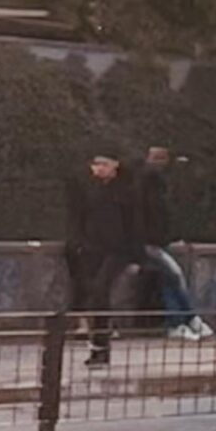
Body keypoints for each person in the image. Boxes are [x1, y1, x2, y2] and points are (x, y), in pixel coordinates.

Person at [65, 149, 140, 367]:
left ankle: (101, 345)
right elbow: (78, 218)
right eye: (95, 164)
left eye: (103, 164)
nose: (98, 168)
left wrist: (136, 256)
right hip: (92, 250)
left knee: (100, 290)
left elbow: (135, 225)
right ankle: (99, 347)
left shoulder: (127, 192)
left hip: (117, 251)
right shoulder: (90, 191)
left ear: (115, 165)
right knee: (96, 296)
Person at [133, 144, 209, 341]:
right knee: (174, 276)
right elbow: (151, 215)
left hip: (153, 240)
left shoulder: (149, 183)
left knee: (169, 280)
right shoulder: (149, 183)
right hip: (150, 241)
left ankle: (184, 322)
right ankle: (187, 319)